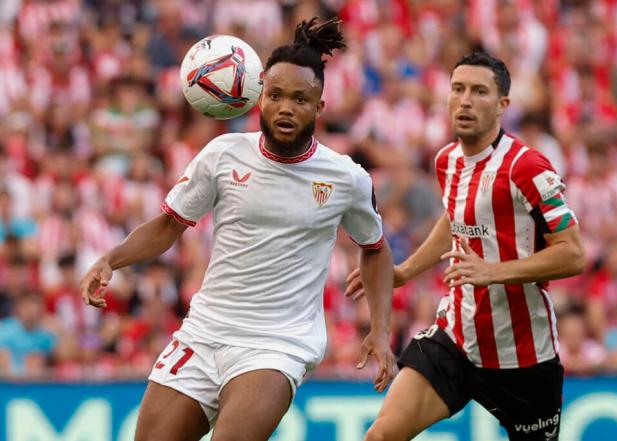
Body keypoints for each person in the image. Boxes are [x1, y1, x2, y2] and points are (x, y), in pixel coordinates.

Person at [80, 17, 397, 441]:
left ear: (319, 108)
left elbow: (374, 247)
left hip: (278, 343)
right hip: (205, 330)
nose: (286, 107)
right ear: (259, 97)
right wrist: (110, 259)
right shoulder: (222, 155)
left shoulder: (346, 178)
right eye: (277, 95)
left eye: (300, 99)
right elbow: (168, 226)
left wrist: (379, 329)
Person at [346, 52, 585, 441]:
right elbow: (454, 219)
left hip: (523, 354)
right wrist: (406, 271)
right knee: (380, 436)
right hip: (457, 337)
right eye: (457, 89)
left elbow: (573, 253)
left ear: (503, 105)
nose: (465, 100)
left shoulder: (528, 167)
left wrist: (495, 271)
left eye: (479, 91)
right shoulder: (447, 161)